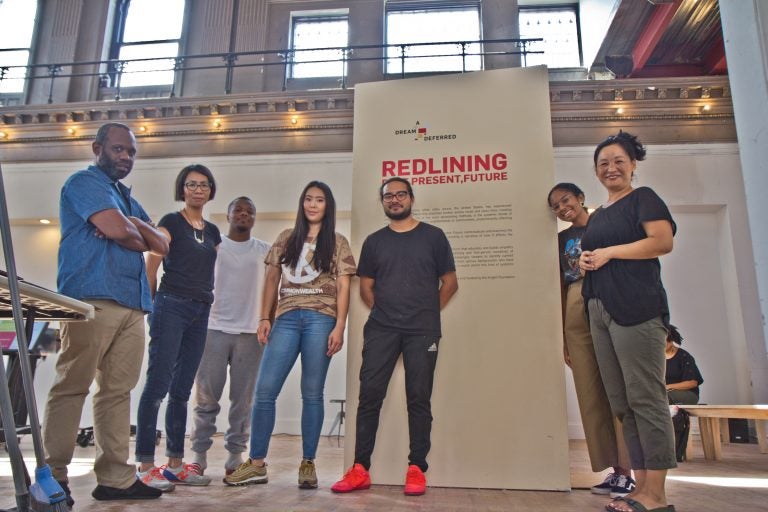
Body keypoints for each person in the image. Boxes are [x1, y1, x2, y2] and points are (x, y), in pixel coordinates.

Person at [43, 122, 170, 503]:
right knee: (72, 386)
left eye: (131, 152)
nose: (126, 157)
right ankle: (52, 475)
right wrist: (131, 231)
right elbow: (122, 234)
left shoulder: (127, 199)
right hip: (91, 299)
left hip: (133, 305)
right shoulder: (84, 184)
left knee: (117, 392)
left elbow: (162, 244)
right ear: (98, 148)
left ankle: (115, 477)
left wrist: (131, 224)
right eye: (118, 149)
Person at [332, 177, 458, 497]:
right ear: (383, 202)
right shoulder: (374, 242)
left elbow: (450, 282)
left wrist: (427, 314)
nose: (395, 200)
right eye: (389, 196)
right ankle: (360, 469)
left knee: (418, 397)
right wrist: (387, 315)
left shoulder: (434, 236)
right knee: (370, 396)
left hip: (422, 331)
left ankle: (417, 468)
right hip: (381, 330)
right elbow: (366, 288)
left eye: (401, 194)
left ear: (412, 199)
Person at [224, 181, 356, 489]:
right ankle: (256, 464)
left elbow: (345, 286)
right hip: (285, 318)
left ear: (328, 206)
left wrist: (340, 326)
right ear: (302, 204)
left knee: (312, 393)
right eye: (308, 199)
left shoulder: (337, 241)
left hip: (321, 319)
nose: (312, 204)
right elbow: (272, 278)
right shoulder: (286, 238)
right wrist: (264, 317)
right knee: (265, 391)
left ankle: (308, 464)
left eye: (319, 200)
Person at [580, 131, 677, 512]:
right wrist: (587, 261)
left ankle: (657, 495)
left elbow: (662, 242)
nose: (611, 168)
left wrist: (607, 253)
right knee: (622, 403)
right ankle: (639, 488)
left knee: (646, 398)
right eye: (603, 163)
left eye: (619, 160)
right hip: (600, 309)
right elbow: (598, 254)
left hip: (637, 308)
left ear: (633, 164)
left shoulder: (644, 198)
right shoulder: (599, 214)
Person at [135, 164, 222, 489]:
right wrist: (151, 305)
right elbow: (152, 265)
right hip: (170, 306)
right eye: (191, 184)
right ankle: (145, 464)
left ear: (210, 190)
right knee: (157, 385)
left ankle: (174, 463)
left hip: (201, 310)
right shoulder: (171, 222)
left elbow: (208, 271)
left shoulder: (213, 232)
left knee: (183, 390)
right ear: (182, 189)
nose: (198, 190)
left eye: (203, 185)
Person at [548, 183, 634, 498]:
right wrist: (563, 336)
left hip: (605, 296)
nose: (562, 208)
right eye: (556, 206)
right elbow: (558, 282)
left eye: (566, 200)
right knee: (590, 391)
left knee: (617, 387)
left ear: (581, 198)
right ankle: (614, 471)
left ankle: (629, 469)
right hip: (574, 304)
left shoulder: (606, 225)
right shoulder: (559, 240)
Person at [189, 197, 271, 476]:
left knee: (242, 400)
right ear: (228, 215)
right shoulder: (215, 247)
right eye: (239, 210)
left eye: (250, 211)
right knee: (206, 398)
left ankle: (235, 456)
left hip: (251, 335)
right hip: (213, 329)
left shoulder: (265, 251)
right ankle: (198, 455)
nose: (244, 214)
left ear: (254, 218)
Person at [665, 325, 703, 405]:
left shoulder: (684, 356)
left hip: (689, 394)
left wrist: (667, 387)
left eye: (664, 341)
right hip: (663, 393)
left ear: (671, 340)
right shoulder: (657, 359)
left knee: (661, 398)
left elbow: (692, 383)